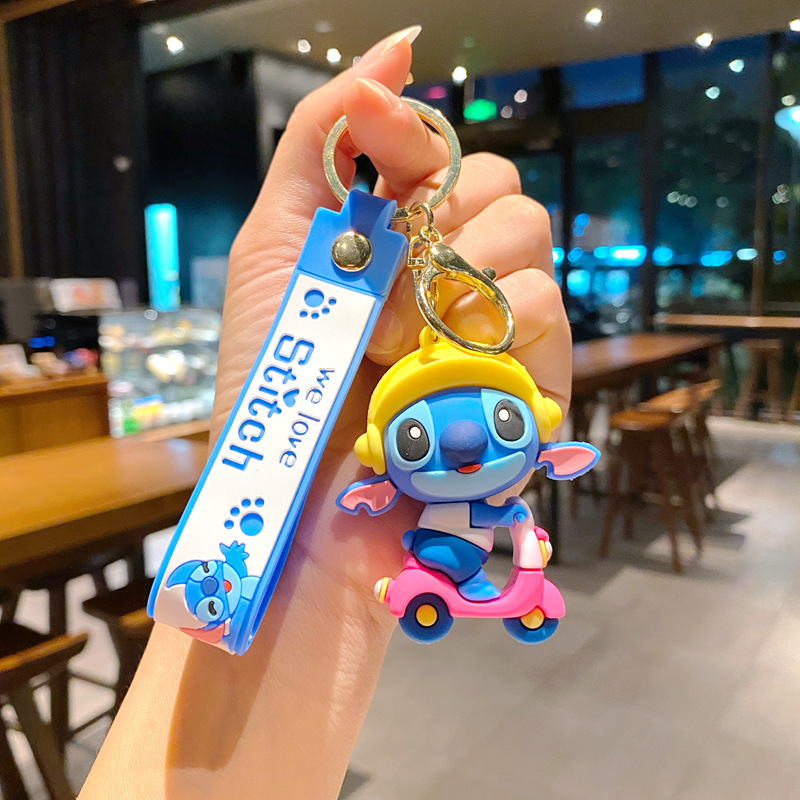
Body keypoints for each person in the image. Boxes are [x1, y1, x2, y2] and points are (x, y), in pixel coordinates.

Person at [78, 25, 570, 800]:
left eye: (507, 426)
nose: (463, 442)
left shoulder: (472, 476)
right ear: (382, 447)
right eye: (418, 435)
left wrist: (326, 589)